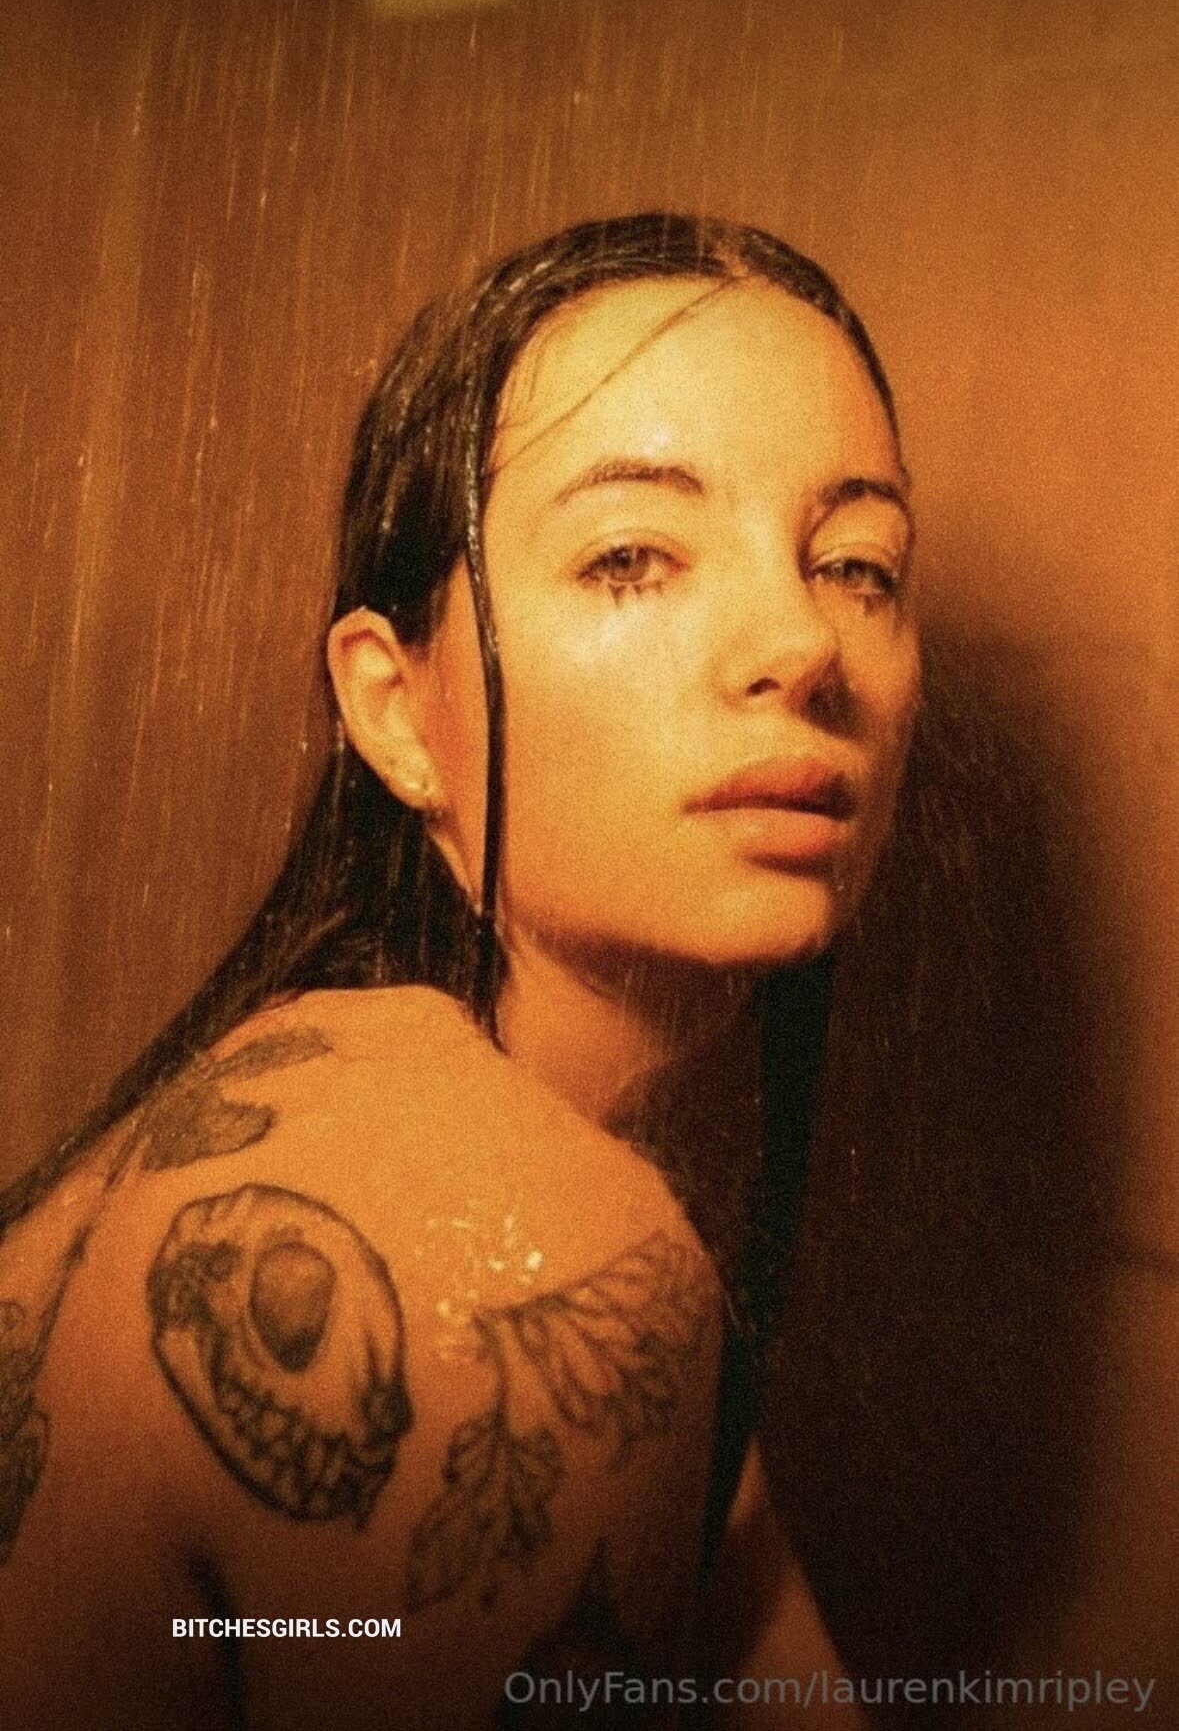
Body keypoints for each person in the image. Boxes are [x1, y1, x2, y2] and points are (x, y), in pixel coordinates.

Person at [0, 214, 919, 1727]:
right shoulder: (524, 1257)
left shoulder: (372, 1111)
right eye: (631, 556)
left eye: (858, 564)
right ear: (394, 708)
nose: (801, 642)